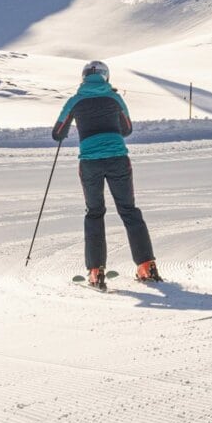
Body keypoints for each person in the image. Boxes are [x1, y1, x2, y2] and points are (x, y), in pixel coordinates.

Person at [52, 61, 158, 290]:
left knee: (95, 212)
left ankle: (95, 272)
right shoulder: (114, 98)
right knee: (129, 211)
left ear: (83, 78)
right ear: (106, 77)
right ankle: (146, 266)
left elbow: (57, 133)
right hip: (118, 159)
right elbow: (127, 128)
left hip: (90, 162)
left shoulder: (75, 100)